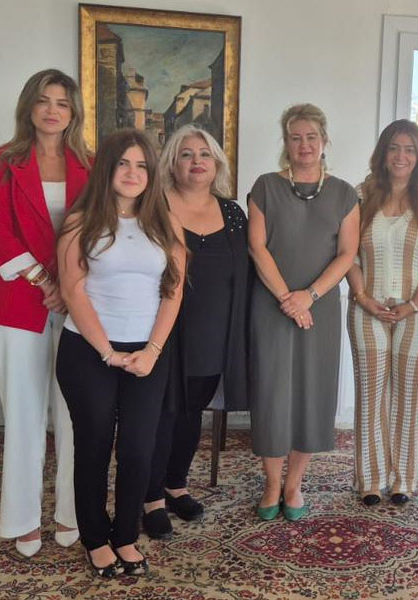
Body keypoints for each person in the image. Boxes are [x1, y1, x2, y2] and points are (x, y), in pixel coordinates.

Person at [56, 129, 185, 577]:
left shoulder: (165, 224)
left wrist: (152, 350)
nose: (133, 173)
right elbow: (73, 292)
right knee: (93, 446)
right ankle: (95, 538)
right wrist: (108, 352)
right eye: (124, 164)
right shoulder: (80, 223)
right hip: (88, 351)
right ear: (107, 169)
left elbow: (173, 291)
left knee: (138, 449)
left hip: (148, 354)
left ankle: (125, 535)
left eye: (142, 166)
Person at [0, 68, 90, 557]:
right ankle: (23, 519)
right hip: (19, 302)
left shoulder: (91, 164)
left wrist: (69, 286)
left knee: (74, 413)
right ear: (29, 106)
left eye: (62, 103)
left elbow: (102, 229)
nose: (52, 110)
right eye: (44, 100)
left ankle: (72, 511)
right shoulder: (4, 160)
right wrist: (47, 283)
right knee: (24, 415)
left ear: (73, 112)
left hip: (79, 301)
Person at [248, 104, 360, 521]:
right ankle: (271, 483)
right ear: (286, 142)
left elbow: (347, 254)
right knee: (271, 393)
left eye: (311, 137)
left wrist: (308, 296)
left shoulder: (345, 194)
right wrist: (287, 298)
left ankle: (294, 484)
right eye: (295, 137)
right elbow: (257, 247)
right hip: (271, 304)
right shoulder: (265, 186)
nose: (304, 144)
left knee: (312, 392)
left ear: (324, 141)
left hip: (320, 307)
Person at [142, 124, 250, 539]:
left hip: (214, 332)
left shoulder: (232, 214)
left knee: (191, 410)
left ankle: (176, 485)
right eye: (186, 154)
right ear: (172, 163)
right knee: (162, 412)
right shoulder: (153, 206)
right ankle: (150, 497)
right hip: (161, 328)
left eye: (205, 154)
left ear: (217, 164)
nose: (196, 161)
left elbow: (246, 271)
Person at [346, 119, 418, 506]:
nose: (401, 156)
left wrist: (412, 304)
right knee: (370, 393)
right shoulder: (360, 195)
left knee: (408, 394)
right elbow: (347, 254)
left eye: (409, 149)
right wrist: (362, 297)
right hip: (366, 308)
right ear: (382, 153)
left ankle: (403, 480)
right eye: (394, 148)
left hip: (416, 311)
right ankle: (370, 479)